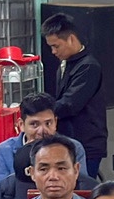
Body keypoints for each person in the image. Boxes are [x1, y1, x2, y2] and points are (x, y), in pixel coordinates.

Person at [0, 94, 88, 199]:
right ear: (21, 125)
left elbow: (82, 192)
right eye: (34, 124)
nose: (42, 131)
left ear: (55, 122)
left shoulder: (74, 148)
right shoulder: (4, 151)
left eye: (48, 123)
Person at [42, 12, 107, 183]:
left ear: (71, 39)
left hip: (86, 143)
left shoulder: (88, 66)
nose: (53, 51)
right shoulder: (65, 63)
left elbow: (70, 104)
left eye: (56, 46)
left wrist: (42, 112)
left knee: (82, 188)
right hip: (69, 140)